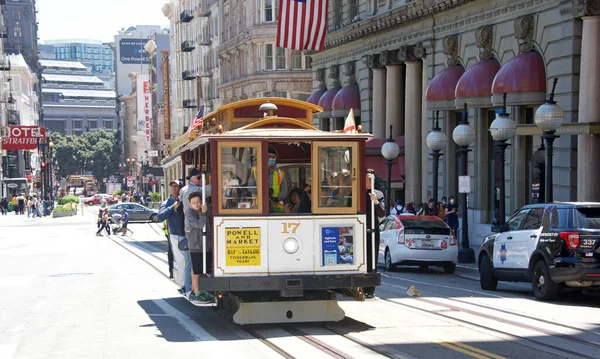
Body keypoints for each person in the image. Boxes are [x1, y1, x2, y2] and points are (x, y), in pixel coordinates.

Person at [158, 180, 192, 295]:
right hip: (176, 234)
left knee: (189, 261)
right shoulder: (167, 202)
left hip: (188, 234)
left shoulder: (185, 199)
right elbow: (160, 216)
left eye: (176, 186)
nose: (174, 188)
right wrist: (172, 207)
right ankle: (184, 285)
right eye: (172, 186)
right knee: (181, 261)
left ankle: (189, 284)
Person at [185, 192, 212, 303]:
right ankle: (196, 292)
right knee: (197, 270)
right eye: (193, 203)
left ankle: (199, 290)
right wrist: (203, 213)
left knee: (202, 269)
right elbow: (200, 225)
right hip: (196, 246)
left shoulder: (204, 211)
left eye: (198, 202)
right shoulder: (190, 214)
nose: (196, 204)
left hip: (206, 244)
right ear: (190, 204)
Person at [248, 146, 288, 213]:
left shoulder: (280, 173)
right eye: (269, 156)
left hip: (276, 207)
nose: (271, 159)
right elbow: (250, 187)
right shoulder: (255, 171)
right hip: (259, 207)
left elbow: (284, 189)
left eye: (273, 157)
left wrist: (277, 199)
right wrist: (263, 194)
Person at [364, 172, 385, 299]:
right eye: (367, 180)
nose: (369, 182)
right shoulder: (358, 193)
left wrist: (375, 201)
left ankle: (370, 289)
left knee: (372, 259)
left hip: (373, 229)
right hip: (360, 229)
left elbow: (382, 213)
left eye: (371, 180)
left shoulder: (379, 194)